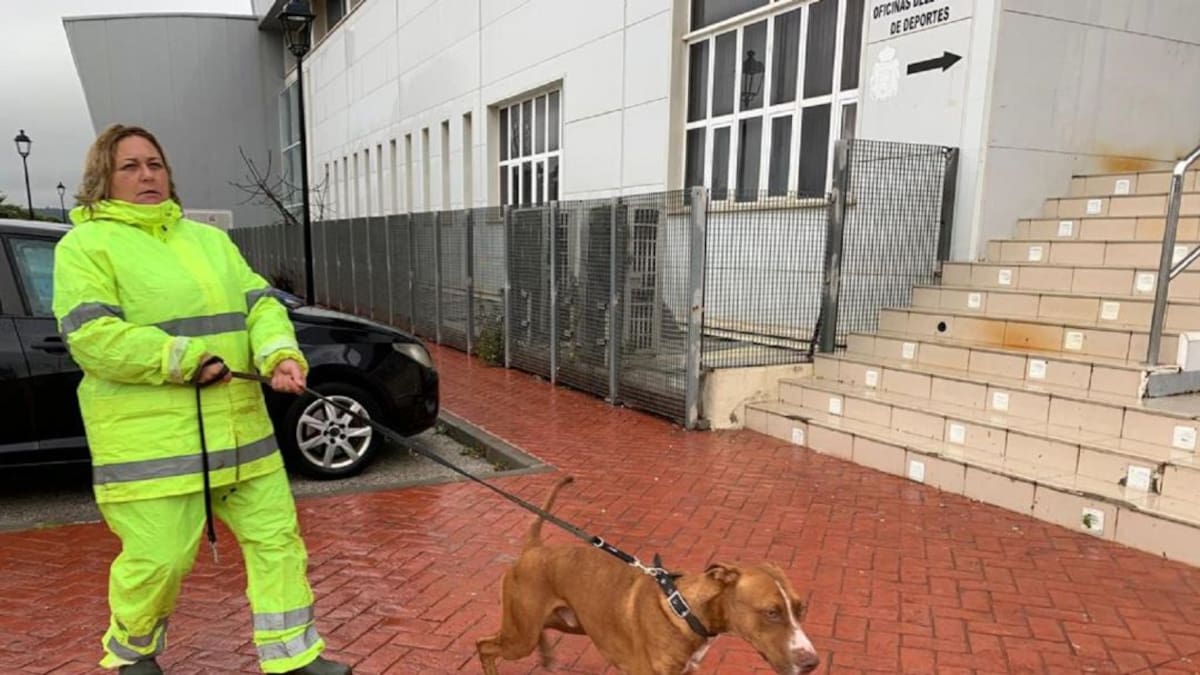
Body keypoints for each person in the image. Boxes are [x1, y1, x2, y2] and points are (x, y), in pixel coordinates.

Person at [51, 124, 353, 675]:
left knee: (278, 544)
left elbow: (260, 304)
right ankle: (133, 654)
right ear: (102, 178)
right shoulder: (85, 246)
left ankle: (295, 658)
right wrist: (185, 358)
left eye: (155, 164)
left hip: (243, 434)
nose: (147, 175)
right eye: (131, 166)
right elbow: (92, 337)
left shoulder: (209, 240)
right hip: (154, 446)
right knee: (158, 560)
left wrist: (279, 354)